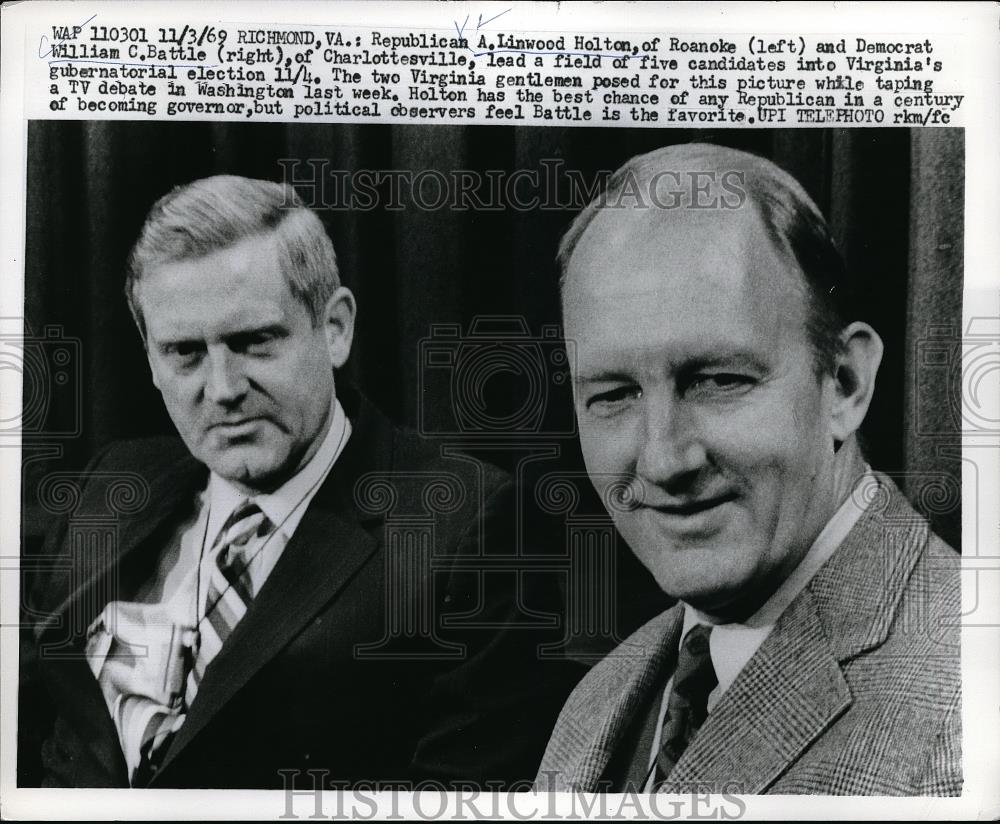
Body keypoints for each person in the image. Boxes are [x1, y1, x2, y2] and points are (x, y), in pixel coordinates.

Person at [21, 175, 575, 789]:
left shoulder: (468, 524)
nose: (223, 388)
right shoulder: (112, 481)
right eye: (185, 352)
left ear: (334, 327)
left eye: (255, 342)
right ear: (151, 359)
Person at [536, 144, 961, 796]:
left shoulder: (965, 702)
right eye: (614, 394)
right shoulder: (603, 697)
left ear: (844, 385)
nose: (661, 460)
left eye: (716, 380)